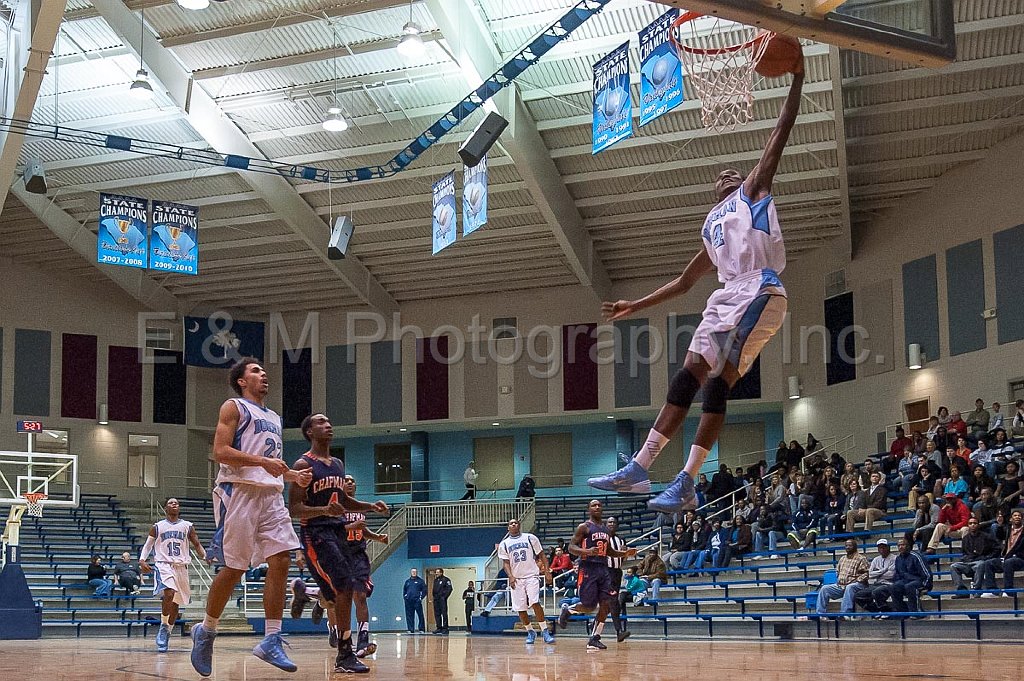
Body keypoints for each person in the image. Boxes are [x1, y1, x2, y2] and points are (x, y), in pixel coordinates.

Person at [585, 53, 805, 512]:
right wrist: (635, 305)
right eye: (719, 176)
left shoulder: (753, 190)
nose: (726, 174)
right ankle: (641, 469)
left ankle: (686, 480)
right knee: (688, 375)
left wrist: (798, 77)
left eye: (732, 172)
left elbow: (781, 130)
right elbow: (685, 281)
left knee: (718, 383)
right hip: (726, 295)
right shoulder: (712, 226)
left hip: (762, 290)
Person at [189, 358, 312, 677]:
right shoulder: (233, 407)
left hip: (270, 495)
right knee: (234, 568)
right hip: (238, 492)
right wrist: (263, 462)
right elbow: (220, 451)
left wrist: (293, 477)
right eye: (255, 371)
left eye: (263, 370)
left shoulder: (273, 416)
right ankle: (207, 631)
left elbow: (271, 465)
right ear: (242, 381)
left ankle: (271, 638)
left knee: (282, 558)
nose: (263, 374)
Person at [288, 413, 389, 673]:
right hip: (316, 533)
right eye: (321, 422)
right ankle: (345, 652)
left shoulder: (337, 465)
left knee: (338, 593)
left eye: (329, 422)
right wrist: (323, 510)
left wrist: (369, 506)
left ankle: (306, 593)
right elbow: (294, 508)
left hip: (337, 531)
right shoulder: (303, 464)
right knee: (344, 586)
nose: (328, 425)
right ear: (310, 431)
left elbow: (342, 501)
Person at [556, 500, 637, 650]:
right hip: (588, 568)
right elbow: (571, 547)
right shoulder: (584, 527)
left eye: (599, 505)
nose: (597, 507)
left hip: (603, 569)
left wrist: (624, 553)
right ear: (589, 509)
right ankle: (568, 610)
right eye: (594, 505)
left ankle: (595, 638)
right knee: (589, 606)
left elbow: (609, 552)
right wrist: (586, 552)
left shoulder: (606, 530)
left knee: (607, 604)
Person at [140, 497, 208, 653]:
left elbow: (197, 544)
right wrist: (142, 559)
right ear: (165, 508)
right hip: (164, 565)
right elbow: (148, 545)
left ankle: (168, 631)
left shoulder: (187, 526)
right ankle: (163, 626)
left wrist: (205, 556)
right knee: (168, 593)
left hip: (181, 567)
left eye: (176, 503)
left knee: (176, 605)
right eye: (171, 503)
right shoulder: (157, 527)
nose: (174, 504)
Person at [340, 474, 389, 658]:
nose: (351, 482)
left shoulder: (359, 506)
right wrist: (352, 527)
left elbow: (362, 529)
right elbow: (332, 530)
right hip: (341, 554)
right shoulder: (336, 506)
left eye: (353, 480)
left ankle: (362, 640)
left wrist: (377, 537)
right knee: (337, 598)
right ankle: (313, 597)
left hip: (359, 555)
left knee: (360, 596)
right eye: (347, 480)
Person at [497, 518, 554, 644]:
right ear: (508, 528)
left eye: (515, 522)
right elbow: (506, 563)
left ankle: (545, 631)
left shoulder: (530, 538)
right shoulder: (504, 544)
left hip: (531, 576)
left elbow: (542, 555)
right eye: (511, 523)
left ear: (519, 525)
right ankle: (530, 631)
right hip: (516, 578)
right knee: (520, 608)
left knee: (535, 602)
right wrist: (510, 576)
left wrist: (547, 571)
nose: (513, 524)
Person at [874, 538, 931, 617]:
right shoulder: (898, 558)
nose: (901, 547)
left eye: (903, 545)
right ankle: (903, 612)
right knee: (894, 587)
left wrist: (926, 586)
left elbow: (926, 573)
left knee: (909, 586)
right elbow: (898, 574)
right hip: (905, 581)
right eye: (899, 545)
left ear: (908, 546)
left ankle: (917, 612)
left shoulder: (916, 556)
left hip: (918, 580)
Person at [815, 539, 869, 617]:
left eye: (850, 545)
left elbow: (866, 574)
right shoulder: (842, 558)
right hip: (841, 585)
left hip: (858, 585)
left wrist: (856, 580)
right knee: (824, 588)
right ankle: (821, 614)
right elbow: (838, 571)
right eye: (846, 546)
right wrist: (840, 579)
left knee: (849, 587)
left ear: (855, 547)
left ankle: (845, 614)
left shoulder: (861, 558)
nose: (847, 547)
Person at [949, 516, 1000, 597]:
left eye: (975, 523)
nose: (972, 525)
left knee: (981, 564)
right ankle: (962, 591)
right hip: (968, 562)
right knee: (953, 566)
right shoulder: (965, 538)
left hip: (980, 561)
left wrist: (987, 557)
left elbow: (997, 549)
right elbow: (964, 552)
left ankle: (976, 590)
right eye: (970, 523)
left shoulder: (987, 537)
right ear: (968, 525)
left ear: (978, 525)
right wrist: (965, 558)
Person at [983, 509, 1024, 594]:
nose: (1017, 517)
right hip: (1006, 557)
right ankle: (992, 590)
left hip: (1020, 558)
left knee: (1009, 562)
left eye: (1019, 516)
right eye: (1015, 515)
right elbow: (999, 536)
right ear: (1010, 519)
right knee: (988, 563)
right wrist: (1000, 525)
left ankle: (1008, 591)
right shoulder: (1008, 529)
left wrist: (1014, 555)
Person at [604, 517, 630, 643]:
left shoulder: (621, 539)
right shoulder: (602, 539)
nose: (612, 524)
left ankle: (594, 627)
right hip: (606, 572)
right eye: (609, 522)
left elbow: (622, 558)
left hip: (617, 572)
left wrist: (626, 554)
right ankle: (618, 631)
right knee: (613, 601)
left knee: (612, 603)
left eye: (614, 522)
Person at [853, 539, 896, 616]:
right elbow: (870, 574)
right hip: (877, 583)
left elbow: (891, 575)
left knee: (876, 592)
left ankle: (885, 611)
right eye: (880, 547)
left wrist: (877, 573)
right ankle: (875, 611)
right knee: (858, 596)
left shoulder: (894, 558)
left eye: (884, 547)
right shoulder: (876, 559)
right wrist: (884, 570)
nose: (882, 549)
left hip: (890, 583)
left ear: (888, 547)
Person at [432, 568, 453, 635]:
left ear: (441, 573)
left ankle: (445, 628)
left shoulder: (446, 580)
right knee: (437, 614)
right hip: (436, 599)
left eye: (438, 572)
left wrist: (444, 597)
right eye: (436, 572)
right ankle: (439, 628)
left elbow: (449, 589)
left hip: (442, 599)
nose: (437, 573)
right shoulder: (435, 580)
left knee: (444, 613)